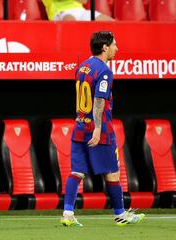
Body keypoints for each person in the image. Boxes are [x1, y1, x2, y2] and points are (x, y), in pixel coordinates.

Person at [61, 31, 145, 227]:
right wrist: (98, 128)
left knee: (77, 172)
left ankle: (67, 213)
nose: (117, 48)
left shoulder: (82, 67)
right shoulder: (104, 71)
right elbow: (99, 100)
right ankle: (120, 214)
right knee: (112, 173)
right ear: (105, 47)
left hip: (80, 127)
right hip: (100, 130)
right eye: (114, 44)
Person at [42, 0, 113, 21]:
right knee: (70, 21)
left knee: (109, 22)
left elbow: (84, 1)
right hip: (60, 12)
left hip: (80, 11)